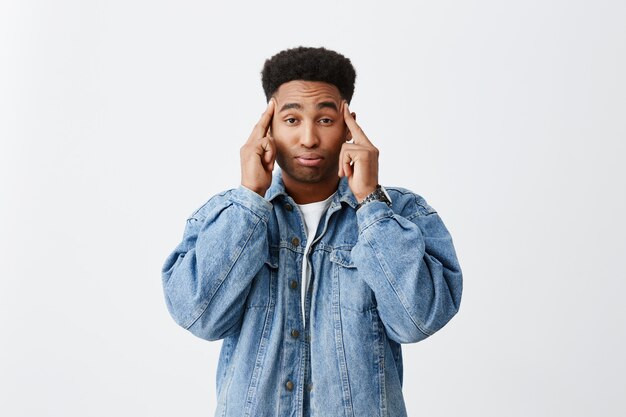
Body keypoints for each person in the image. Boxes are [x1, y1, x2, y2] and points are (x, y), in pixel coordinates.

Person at [161, 46, 463, 417]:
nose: (308, 138)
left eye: (324, 119)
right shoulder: (227, 216)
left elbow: (418, 319)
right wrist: (250, 199)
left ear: (349, 124)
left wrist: (369, 202)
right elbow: (199, 316)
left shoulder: (399, 213)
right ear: (267, 127)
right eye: (291, 120)